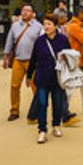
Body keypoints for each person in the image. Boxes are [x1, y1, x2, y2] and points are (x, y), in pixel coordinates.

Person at [26, 14, 70, 144]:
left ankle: (56, 126)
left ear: (56, 26)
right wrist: (29, 76)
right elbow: (33, 59)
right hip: (42, 77)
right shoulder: (39, 41)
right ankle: (42, 130)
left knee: (57, 104)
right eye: (45, 24)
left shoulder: (63, 40)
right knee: (42, 104)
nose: (46, 27)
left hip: (57, 78)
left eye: (49, 24)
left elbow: (70, 56)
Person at [3, 3, 42, 122]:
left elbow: (41, 43)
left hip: (32, 60)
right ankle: (14, 110)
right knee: (14, 85)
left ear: (32, 14)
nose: (25, 12)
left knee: (35, 86)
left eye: (28, 11)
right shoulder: (15, 26)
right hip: (18, 60)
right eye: (23, 10)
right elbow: (10, 40)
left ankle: (38, 110)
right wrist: (6, 55)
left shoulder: (38, 26)